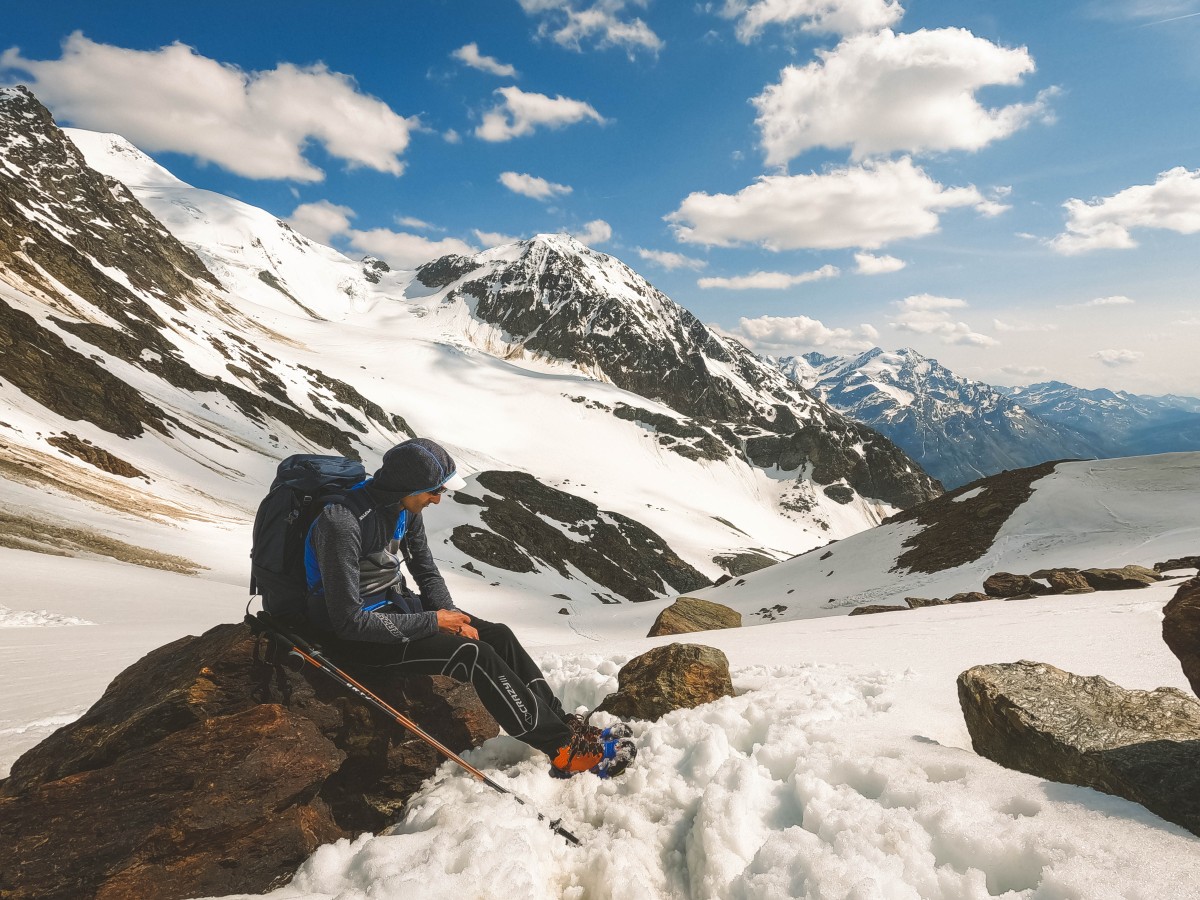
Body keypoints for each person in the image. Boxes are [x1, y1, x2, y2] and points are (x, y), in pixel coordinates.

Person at [303, 437, 635, 778]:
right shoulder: (343, 523)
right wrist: (434, 621)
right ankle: (563, 749)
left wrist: (454, 618)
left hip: (395, 607)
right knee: (474, 654)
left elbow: (426, 571)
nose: (437, 498)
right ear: (407, 485)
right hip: (354, 635)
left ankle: (564, 725)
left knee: (499, 636)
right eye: (432, 491)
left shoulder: (405, 508)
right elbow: (348, 622)